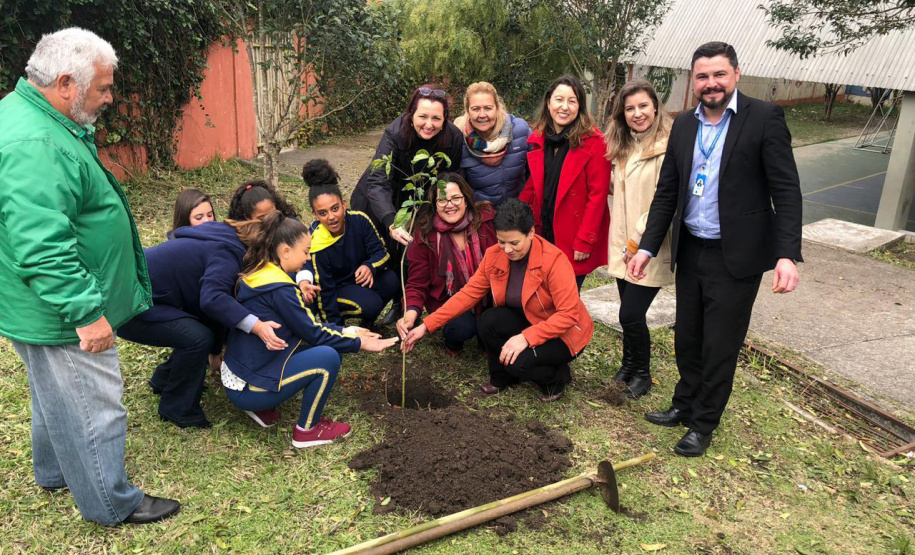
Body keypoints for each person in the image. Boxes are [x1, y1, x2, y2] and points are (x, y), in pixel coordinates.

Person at [0, 28, 178, 524]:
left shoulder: (30, 115)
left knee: (53, 394)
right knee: (95, 405)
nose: (110, 97)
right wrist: (86, 313)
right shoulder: (36, 142)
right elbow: (43, 245)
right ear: (65, 84)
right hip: (60, 310)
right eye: (103, 88)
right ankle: (110, 503)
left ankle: (55, 470)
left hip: (34, 304)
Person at [627, 42, 803, 457]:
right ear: (694, 80)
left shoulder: (764, 118)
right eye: (703, 76)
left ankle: (703, 424)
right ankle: (684, 404)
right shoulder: (683, 126)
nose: (711, 83)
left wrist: (787, 253)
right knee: (688, 337)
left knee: (719, 345)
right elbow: (667, 192)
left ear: (736, 74)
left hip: (735, 256)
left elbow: (786, 189)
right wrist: (647, 248)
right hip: (692, 249)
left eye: (719, 74)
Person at [222, 211, 398, 448]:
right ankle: (307, 430)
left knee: (320, 349)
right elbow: (313, 333)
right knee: (327, 358)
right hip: (248, 389)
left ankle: (261, 405)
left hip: (239, 374)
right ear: (285, 251)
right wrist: (359, 343)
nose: (307, 258)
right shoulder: (281, 289)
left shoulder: (262, 271)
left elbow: (306, 326)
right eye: (305, 252)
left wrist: (346, 332)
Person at [403, 199, 593, 402]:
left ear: (530, 232)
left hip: (564, 333)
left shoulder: (554, 260)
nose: (507, 249)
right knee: (489, 320)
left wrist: (526, 338)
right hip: (529, 319)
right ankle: (502, 377)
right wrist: (426, 325)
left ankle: (557, 378)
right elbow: (468, 294)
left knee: (517, 363)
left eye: (514, 243)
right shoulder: (494, 255)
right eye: (502, 242)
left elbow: (568, 315)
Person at [118, 214, 288, 428]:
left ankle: (165, 380)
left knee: (193, 331)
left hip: (136, 293)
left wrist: (215, 352)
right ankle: (177, 410)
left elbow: (210, 310)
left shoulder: (226, 236)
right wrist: (257, 326)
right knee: (197, 338)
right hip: (129, 306)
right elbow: (213, 299)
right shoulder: (228, 253)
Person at [350, 85, 465, 324]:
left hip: (419, 197)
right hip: (381, 199)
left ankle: (402, 305)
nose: (429, 124)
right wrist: (391, 220)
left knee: (410, 250)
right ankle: (369, 310)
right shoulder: (395, 133)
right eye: (423, 116)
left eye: (436, 118)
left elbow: (451, 176)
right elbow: (378, 180)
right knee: (379, 250)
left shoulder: (453, 137)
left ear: (445, 119)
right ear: (411, 115)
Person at [603, 79, 675, 399]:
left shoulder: (667, 148)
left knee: (630, 313)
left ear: (656, 107)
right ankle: (628, 365)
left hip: (648, 245)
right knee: (628, 311)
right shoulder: (625, 145)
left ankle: (643, 374)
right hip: (623, 244)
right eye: (630, 108)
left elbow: (665, 199)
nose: (637, 113)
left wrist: (638, 239)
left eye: (643, 106)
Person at [519, 75, 612, 290]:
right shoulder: (539, 139)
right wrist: (517, 220)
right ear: (548, 102)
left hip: (572, 234)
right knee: (541, 294)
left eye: (572, 101)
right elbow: (533, 185)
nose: (564, 107)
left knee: (566, 297)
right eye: (559, 99)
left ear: (580, 106)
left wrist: (586, 240)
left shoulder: (595, 142)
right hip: (543, 229)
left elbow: (598, 196)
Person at [396, 173, 498, 356]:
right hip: (449, 302)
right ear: (434, 204)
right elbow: (417, 284)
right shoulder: (425, 235)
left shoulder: (486, 223)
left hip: (488, 297)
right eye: (442, 200)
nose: (450, 205)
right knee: (461, 327)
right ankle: (453, 341)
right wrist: (409, 315)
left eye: (456, 198)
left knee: (493, 324)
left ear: (466, 199)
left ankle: (486, 335)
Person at [299, 159, 399, 327]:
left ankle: (368, 322)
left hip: (358, 281)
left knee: (391, 280)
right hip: (336, 289)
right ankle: (346, 317)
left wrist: (370, 266)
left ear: (344, 204)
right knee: (371, 303)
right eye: (323, 213)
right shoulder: (316, 242)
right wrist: (337, 332)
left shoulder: (360, 220)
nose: (331, 217)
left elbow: (382, 252)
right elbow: (325, 292)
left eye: (335, 208)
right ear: (315, 214)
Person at [454, 82, 531, 206]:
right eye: (475, 109)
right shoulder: (459, 139)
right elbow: (459, 186)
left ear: (497, 108)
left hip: (517, 210)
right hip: (481, 212)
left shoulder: (519, 130)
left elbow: (536, 173)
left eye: (488, 108)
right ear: (468, 111)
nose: (482, 115)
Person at [228, 179, 299, 222]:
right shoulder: (238, 238)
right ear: (247, 217)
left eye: (273, 214)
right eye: (262, 218)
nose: (270, 221)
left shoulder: (289, 225)